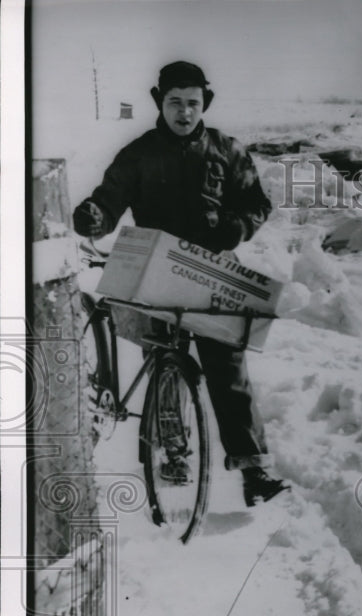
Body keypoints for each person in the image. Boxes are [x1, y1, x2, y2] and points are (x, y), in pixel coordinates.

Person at [73, 61, 287, 507]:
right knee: (166, 362)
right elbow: (108, 200)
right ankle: (173, 453)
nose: (184, 112)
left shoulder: (227, 151)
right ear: (160, 102)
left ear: (203, 104)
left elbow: (256, 203)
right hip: (157, 277)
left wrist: (237, 227)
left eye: (192, 103)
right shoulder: (138, 155)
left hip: (213, 277)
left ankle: (254, 471)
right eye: (175, 102)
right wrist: (94, 215)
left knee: (228, 371)